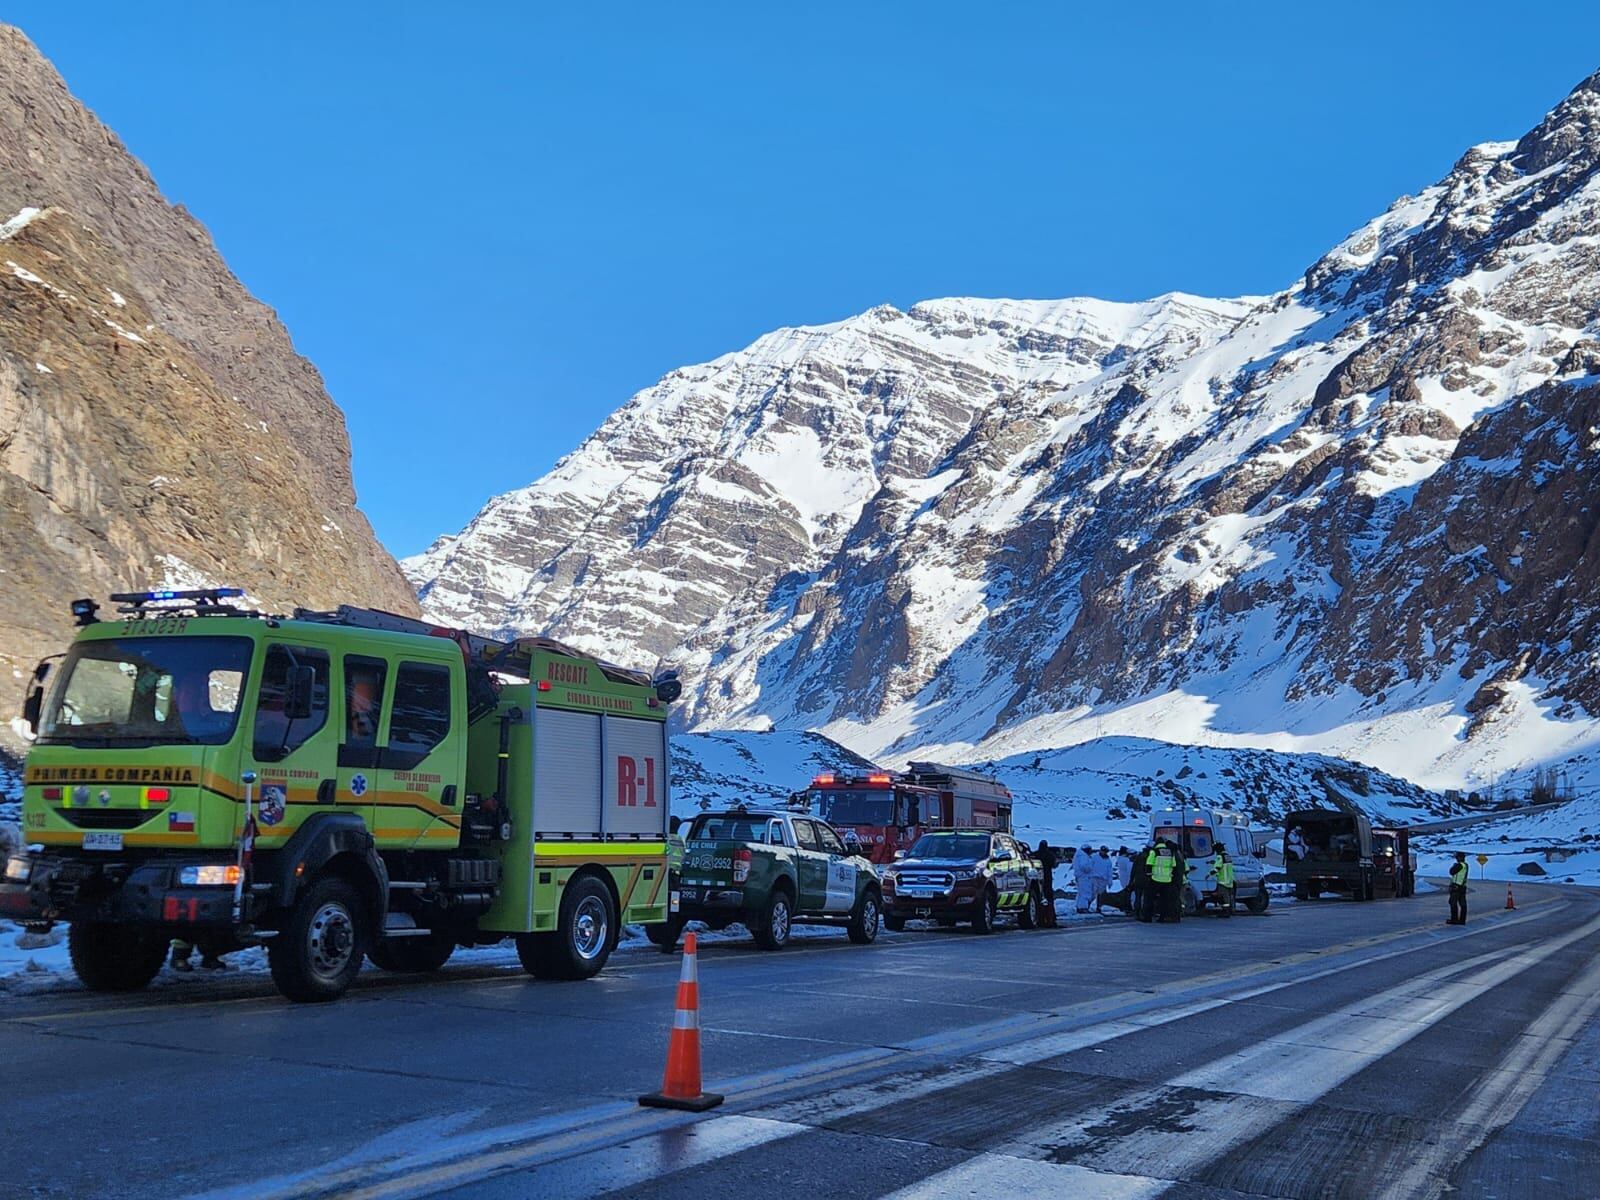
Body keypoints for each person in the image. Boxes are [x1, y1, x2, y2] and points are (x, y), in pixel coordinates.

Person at [1146, 840, 1178, 922]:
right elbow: (1174, 865)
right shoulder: (1170, 852)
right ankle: (1162, 917)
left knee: (1150, 898)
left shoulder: (1154, 851)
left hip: (1155, 879)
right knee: (1164, 900)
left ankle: (1148, 917)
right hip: (1167, 880)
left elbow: (1149, 863)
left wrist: (1149, 875)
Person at [1035, 839, 1060, 927]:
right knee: (1049, 899)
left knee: (1038, 899)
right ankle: (1050, 918)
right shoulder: (1050, 855)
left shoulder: (1035, 854)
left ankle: (1040, 918)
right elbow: (1054, 865)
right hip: (1048, 878)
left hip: (1037, 879)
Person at [1208, 846, 1236, 917]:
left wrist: (1209, 874)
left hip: (1223, 881)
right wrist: (1214, 862)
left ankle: (1225, 912)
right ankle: (1228, 911)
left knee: (1223, 897)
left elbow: (1217, 868)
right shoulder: (1227, 856)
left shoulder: (1219, 857)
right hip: (1229, 880)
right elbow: (1224, 864)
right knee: (1228, 897)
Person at [1072, 843, 1095, 914]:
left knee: (1081, 892)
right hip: (1084, 876)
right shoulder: (1083, 856)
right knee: (1085, 892)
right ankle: (1083, 908)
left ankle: (1079, 906)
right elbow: (1084, 867)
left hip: (1080, 876)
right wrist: (1091, 866)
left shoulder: (1079, 855)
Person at [1447, 851, 1469, 925]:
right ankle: (1462, 920)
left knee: (1453, 903)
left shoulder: (1459, 865)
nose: (1456, 858)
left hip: (1456, 887)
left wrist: (1454, 866)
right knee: (1462, 904)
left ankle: (1454, 919)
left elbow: (1451, 872)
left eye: (1457, 857)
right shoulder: (1465, 865)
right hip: (1462, 887)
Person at [1091, 846, 1114, 913]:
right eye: (1102, 851)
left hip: (1103, 879)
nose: (1103, 852)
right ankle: (1087, 906)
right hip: (1094, 877)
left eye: (1105, 851)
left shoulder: (1108, 861)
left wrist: (1110, 881)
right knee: (1092, 893)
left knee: (1101, 894)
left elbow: (1109, 871)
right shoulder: (1094, 857)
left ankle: (1099, 907)